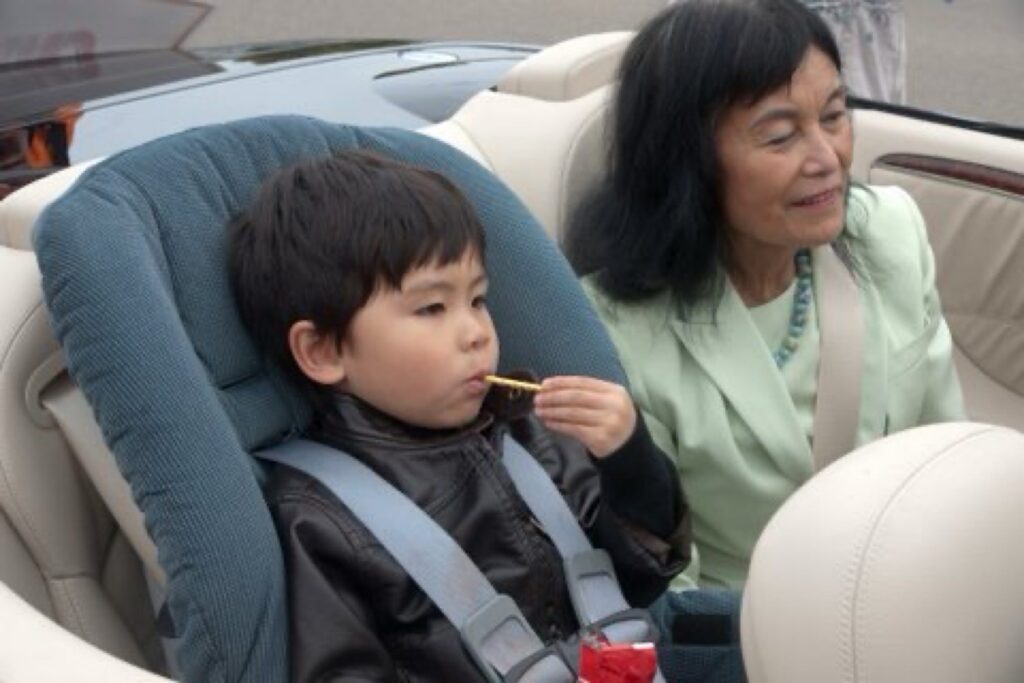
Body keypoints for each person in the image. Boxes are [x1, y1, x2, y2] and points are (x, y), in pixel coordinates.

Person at [226, 150, 691, 681]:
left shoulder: (530, 434)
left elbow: (641, 581)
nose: (477, 332)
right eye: (432, 308)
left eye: (478, 299)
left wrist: (630, 461)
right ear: (325, 351)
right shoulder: (319, 520)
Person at [566, 0, 965, 593]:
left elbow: (947, 460)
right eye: (780, 136)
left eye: (833, 116)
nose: (828, 159)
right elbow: (670, 585)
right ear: (690, 161)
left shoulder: (890, 233)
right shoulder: (615, 327)